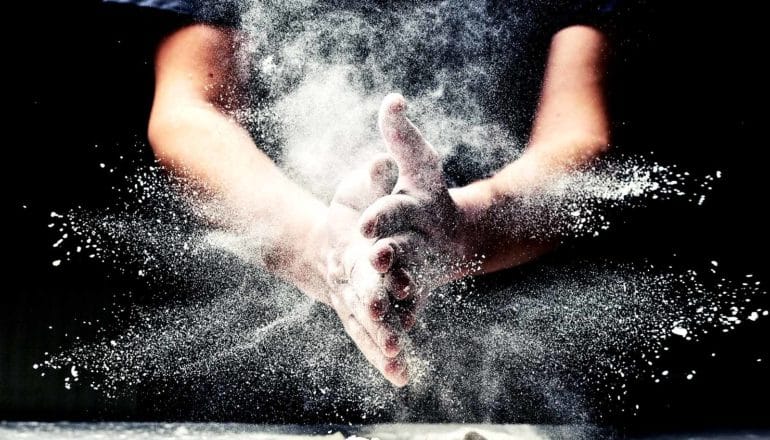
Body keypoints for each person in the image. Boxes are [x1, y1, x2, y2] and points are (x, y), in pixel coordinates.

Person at [105, 0, 613, 387]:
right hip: (266, 362)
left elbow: (581, 142)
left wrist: (462, 231)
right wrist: (315, 246)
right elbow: (190, 113)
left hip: (528, 350)